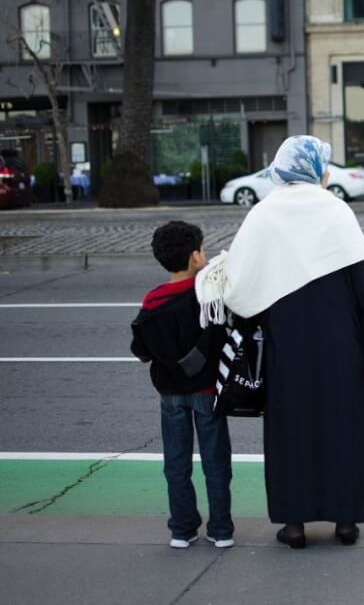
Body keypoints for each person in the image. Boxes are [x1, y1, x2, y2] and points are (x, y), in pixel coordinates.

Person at [196, 135, 364, 549]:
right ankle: (346, 520)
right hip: (343, 347)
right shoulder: (335, 211)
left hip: (287, 348)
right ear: (315, 168)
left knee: (292, 433)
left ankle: (294, 524)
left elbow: (240, 289)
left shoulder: (263, 215)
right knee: (346, 429)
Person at [130, 221, 233, 550]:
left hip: (170, 394)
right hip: (207, 391)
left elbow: (140, 350)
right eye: (202, 249)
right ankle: (221, 530)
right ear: (194, 257)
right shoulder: (207, 297)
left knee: (176, 463)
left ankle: (182, 529)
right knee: (216, 463)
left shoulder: (152, 301)